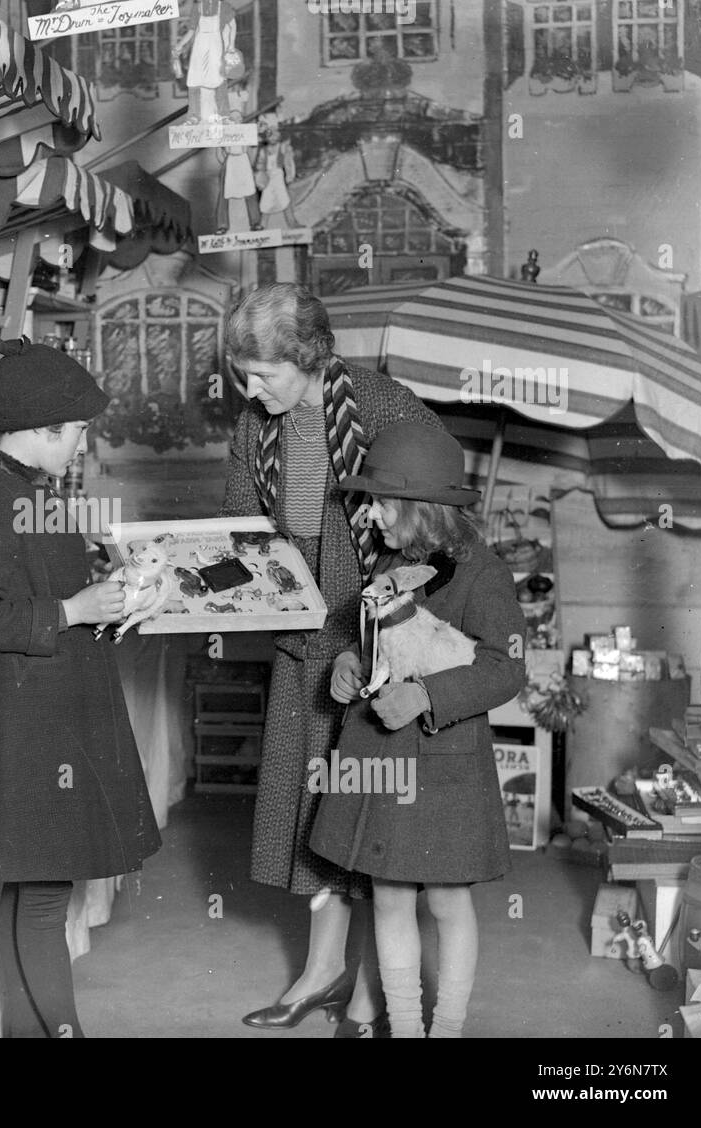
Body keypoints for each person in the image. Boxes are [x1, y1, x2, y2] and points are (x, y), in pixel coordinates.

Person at [220, 283, 440, 1036]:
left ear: (309, 357)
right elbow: (236, 527)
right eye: (243, 376)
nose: (250, 392)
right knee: (311, 812)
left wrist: (386, 627)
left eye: (263, 376)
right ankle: (322, 970)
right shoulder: (257, 427)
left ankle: (375, 989)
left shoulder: (385, 408)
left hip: (378, 644)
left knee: (370, 814)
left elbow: (436, 526)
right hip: (301, 642)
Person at [0, 337, 161, 1038]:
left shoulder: (29, 493)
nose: (78, 448)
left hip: (51, 715)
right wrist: (75, 609)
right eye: (74, 434)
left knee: (36, 894)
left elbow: (42, 585)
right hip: (30, 724)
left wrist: (108, 589)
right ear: (43, 430)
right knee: (42, 899)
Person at [311, 423, 525, 1037]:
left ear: (419, 507)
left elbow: (506, 666)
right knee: (391, 897)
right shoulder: (389, 562)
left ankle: (447, 1028)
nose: (369, 513)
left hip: (445, 763)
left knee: (448, 901)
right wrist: (348, 665)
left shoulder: (484, 574)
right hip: (384, 762)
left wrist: (428, 693)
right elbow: (375, 642)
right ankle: (405, 1027)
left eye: (379, 502)